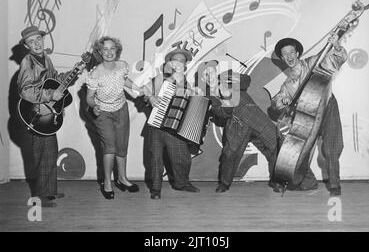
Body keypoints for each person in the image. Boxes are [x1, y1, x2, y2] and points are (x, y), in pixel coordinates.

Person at [272, 37, 347, 196]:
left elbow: (339, 59)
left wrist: (336, 45)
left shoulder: (314, 62)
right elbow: (276, 102)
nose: (289, 56)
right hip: (307, 118)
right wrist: (282, 100)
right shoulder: (287, 84)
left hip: (327, 108)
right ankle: (308, 182)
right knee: (299, 151)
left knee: (331, 148)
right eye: (285, 54)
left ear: (297, 53)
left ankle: (334, 186)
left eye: (292, 52)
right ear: (282, 58)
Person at [196, 60, 281, 193]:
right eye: (206, 75)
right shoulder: (208, 97)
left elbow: (246, 80)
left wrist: (230, 82)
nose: (210, 77)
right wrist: (225, 100)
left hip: (256, 118)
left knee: (276, 146)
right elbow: (222, 114)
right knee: (229, 155)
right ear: (203, 78)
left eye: (212, 72)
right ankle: (224, 184)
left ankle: (277, 181)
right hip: (236, 125)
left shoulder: (227, 78)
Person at [17, 26, 72, 208]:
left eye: (38, 39)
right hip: (35, 115)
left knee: (50, 152)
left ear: (43, 40)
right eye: (31, 42)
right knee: (41, 155)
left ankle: (49, 191)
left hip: (47, 113)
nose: (37, 43)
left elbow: (53, 79)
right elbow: (25, 91)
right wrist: (49, 96)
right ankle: (39, 198)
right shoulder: (28, 62)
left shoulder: (46, 59)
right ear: (27, 46)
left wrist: (68, 77)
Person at [86, 36, 144, 199]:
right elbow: (89, 98)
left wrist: (139, 89)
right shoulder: (95, 73)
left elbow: (124, 80)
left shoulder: (122, 66)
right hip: (103, 113)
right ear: (99, 52)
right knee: (109, 147)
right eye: (105, 49)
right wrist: (94, 106)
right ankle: (107, 182)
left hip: (121, 109)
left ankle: (122, 179)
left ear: (117, 50)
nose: (109, 52)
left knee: (121, 145)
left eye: (112, 48)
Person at [144, 48, 200, 199]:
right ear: (169, 63)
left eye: (182, 61)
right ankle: (156, 189)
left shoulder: (186, 83)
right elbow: (146, 91)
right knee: (155, 158)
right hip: (156, 125)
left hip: (174, 127)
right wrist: (150, 98)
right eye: (175, 60)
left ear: (186, 65)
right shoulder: (160, 78)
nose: (179, 63)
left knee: (182, 157)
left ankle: (181, 183)